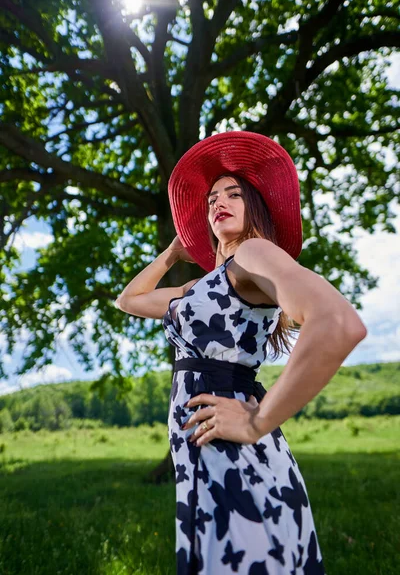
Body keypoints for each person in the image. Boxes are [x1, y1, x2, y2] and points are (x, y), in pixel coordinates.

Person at [115, 131, 367, 574]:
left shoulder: (253, 253)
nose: (218, 201)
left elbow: (338, 322)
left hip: (238, 457)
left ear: (256, 209)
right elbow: (129, 300)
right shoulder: (202, 287)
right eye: (212, 198)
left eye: (234, 193)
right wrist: (175, 252)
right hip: (201, 458)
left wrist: (257, 420)